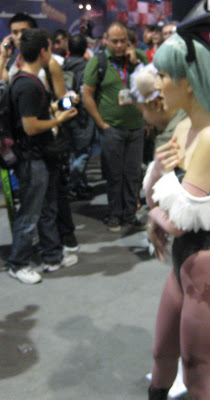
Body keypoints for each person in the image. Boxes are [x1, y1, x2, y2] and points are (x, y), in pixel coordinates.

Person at [143, 13, 210, 400]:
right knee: (162, 353)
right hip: (184, 266)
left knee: (197, 371)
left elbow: (179, 220)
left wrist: (155, 214)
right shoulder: (184, 127)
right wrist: (159, 175)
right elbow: (157, 199)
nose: (158, 83)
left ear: (188, 81)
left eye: (163, 75)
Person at [5, 29, 78, 284]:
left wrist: (65, 104)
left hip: (40, 156)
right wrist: (58, 119)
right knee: (30, 213)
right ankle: (18, 263)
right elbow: (31, 126)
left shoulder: (28, 81)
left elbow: (44, 110)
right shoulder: (27, 85)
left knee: (46, 208)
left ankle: (51, 256)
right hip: (32, 157)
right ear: (43, 52)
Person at [82, 21, 144, 232]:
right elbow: (87, 94)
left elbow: (151, 88)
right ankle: (114, 214)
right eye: (114, 41)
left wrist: (137, 63)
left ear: (129, 41)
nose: (119, 46)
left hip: (136, 128)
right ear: (106, 40)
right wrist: (101, 123)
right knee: (114, 174)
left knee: (133, 174)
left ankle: (130, 214)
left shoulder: (139, 58)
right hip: (112, 129)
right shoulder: (98, 61)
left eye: (123, 41)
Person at [62, 33, 96, 201]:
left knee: (72, 153)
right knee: (82, 153)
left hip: (64, 113)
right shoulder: (88, 67)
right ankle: (71, 186)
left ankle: (80, 186)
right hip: (83, 116)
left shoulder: (61, 66)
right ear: (85, 49)